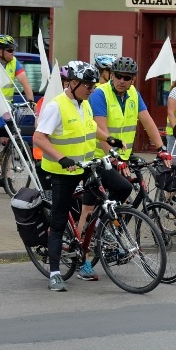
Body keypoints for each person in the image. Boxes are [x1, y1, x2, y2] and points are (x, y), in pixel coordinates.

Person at [32, 61, 128, 291]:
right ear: (72, 83)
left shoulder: (83, 104)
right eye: (87, 85)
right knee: (58, 221)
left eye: (93, 85)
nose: (91, 89)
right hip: (61, 171)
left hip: (86, 166)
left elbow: (91, 127)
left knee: (122, 187)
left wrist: (108, 139)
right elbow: (39, 137)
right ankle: (55, 273)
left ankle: (94, 233)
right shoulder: (57, 106)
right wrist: (61, 158)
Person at [83, 56, 170, 249]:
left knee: (128, 189)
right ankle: (98, 231)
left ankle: (109, 228)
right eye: (119, 76)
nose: (122, 81)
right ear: (112, 76)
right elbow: (101, 131)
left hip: (121, 156)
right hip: (99, 157)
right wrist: (114, 158)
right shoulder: (100, 94)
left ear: (133, 80)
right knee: (114, 193)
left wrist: (161, 149)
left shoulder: (134, 95)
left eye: (127, 78)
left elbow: (148, 122)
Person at [0, 34, 35, 166]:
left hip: (6, 107)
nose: (13, 53)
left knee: (8, 142)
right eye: (10, 50)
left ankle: (7, 177)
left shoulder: (14, 62)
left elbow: (25, 83)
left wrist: (31, 101)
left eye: (13, 50)